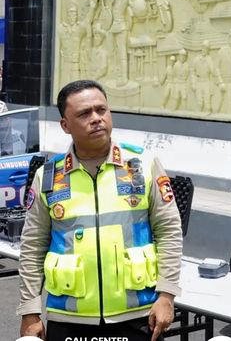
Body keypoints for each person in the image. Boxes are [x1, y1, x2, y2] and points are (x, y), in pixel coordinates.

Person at [17, 80, 183, 341]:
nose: (96, 118)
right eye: (84, 113)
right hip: (69, 319)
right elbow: (32, 246)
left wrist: (167, 295)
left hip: (138, 316)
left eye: (101, 110)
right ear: (65, 125)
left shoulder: (142, 165)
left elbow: (169, 231)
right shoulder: (48, 176)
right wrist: (30, 311)